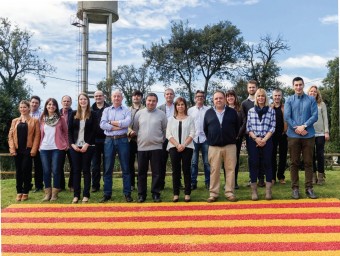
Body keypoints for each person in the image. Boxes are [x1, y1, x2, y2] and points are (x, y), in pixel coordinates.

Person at [285, 77, 318, 199]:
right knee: (294, 163)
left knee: (309, 162)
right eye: (296, 85)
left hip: (308, 135)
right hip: (293, 136)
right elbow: (287, 117)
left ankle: (309, 188)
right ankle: (295, 189)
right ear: (293, 86)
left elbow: (315, 116)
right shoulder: (289, 100)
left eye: (300, 85)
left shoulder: (311, 100)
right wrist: (297, 128)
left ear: (303, 85)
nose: (298, 87)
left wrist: (304, 126)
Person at [203, 90, 239, 203]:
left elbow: (237, 127)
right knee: (214, 170)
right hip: (214, 147)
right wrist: (213, 139)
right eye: (216, 98)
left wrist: (230, 137)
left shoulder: (232, 112)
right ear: (213, 100)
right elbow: (205, 129)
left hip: (230, 146)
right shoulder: (208, 113)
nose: (218, 100)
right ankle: (213, 194)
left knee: (230, 170)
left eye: (220, 98)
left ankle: (229, 192)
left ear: (224, 99)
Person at [134, 92, 167, 203]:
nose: (151, 103)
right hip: (142, 148)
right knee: (141, 173)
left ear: (157, 102)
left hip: (157, 147)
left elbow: (165, 130)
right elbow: (135, 129)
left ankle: (156, 194)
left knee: (156, 172)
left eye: (153, 101)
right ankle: (141, 195)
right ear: (145, 101)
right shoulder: (139, 114)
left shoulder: (162, 114)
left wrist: (160, 141)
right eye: (149, 100)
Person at [99, 90, 132, 203]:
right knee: (108, 168)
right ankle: (107, 194)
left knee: (125, 168)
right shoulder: (106, 110)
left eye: (118, 96)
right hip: (109, 141)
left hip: (122, 139)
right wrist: (118, 125)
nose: (116, 98)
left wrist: (111, 122)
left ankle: (127, 193)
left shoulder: (126, 110)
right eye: (114, 96)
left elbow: (127, 123)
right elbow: (102, 124)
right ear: (111, 98)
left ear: (122, 98)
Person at [247, 88, 276, 200]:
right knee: (254, 164)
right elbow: (248, 127)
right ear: (256, 98)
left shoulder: (271, 111)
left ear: (265, 98)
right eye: (258, 96)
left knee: (268, 164)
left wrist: (264, 140)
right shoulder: (250, 111)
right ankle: (254, 192)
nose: (260, 98)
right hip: (253, 141)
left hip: (267, 140)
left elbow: (272, 127)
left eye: (262, 96)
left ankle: (268, 191)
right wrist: (256, 139)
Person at [8, 100, 40, 201]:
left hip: (28, 150)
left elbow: (37, 136)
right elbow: (10, 136)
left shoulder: (34, 121)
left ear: (29, 108)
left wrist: (34, 149)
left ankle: (25, 191)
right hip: (17, 150)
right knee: (18, 171)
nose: (23, 109)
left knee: (26, 170)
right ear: (19, 109)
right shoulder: (15, 121)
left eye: (25, 107)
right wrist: (12, 149)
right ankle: (19, 191)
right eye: (21, 107)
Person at [69, 93, 97, 203]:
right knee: (76, 170)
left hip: (88, 146)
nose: (83, 101)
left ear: (88, 101)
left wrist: (87, 144)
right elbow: (69, 131)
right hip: (75, 146)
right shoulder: (73, 114)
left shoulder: (93, 114)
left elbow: (94, 131)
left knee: (86, 170)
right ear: (78, 101)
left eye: (85, 99)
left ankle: (86, 195)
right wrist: (72, 144)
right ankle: (76, 195)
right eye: (81, 99)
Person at [39, 98, 68, 201]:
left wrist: (66, 144)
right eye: (49, 104)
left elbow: (66, 132)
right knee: (46, 171)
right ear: (46, 106)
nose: (51, 106)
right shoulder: (42, 118)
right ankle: (47, 193)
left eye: (53, 105)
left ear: (56, 106)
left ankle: (55, 193)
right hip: (44, 148)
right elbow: (40, 133)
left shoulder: (61, 119)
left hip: (57, 148)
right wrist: (39, 145)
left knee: (56, 170)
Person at [166, 97, 195, 202]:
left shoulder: (190, 118)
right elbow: (168, 134)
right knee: (175, 171)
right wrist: (177, 145)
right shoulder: (170, 119)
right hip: (174, 148)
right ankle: (176, 193)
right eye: (178, 105)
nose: (180, 106)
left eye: (182, 104)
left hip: (187, 147)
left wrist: (183, 144)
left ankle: (187, 193)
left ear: (185, 106)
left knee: (186, 170)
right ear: (175, 107)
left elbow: (192, 133)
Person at [241, 81, 265, 187]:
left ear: (256, 88)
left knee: (262, 157)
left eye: (253, 87)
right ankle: (252, 179)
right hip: (250, 135)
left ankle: (261, 179)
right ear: (247, 89)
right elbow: (244, 119)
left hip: (263, 135)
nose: (251, 89)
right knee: (252, 158)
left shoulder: (261, 101)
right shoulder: (244, 103)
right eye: (250, 87)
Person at [188, 90, 211, 190]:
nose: (200, 98)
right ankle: (193, 183)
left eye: (202, 96)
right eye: (198, 96)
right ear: (195, 98)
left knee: (207, 162)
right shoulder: (190, 110)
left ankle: (208, 182)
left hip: (205, 139)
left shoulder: (209, 109)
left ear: (204, 98)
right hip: (193, 138)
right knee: (193, 163)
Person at [307, 85, 329, 185]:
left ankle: (321, 176)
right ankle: (313, 176)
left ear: (317, 93)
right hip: (309, 133)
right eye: (311, 91)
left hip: (320, 134)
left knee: (319, 155)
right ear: (308, 93)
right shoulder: (306, 104)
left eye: (314, 92)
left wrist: (326, 132)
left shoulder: (322, 104)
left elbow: (325, 119)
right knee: (310, 156)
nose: (313, 93)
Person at [91, 90, 110, 192]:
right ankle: (95, 185)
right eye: (96, 96)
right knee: (95, 165)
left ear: (104, 97)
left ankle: (107, 185)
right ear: (94, 98)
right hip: (94, 141)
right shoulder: (91, 109)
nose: (98, 97)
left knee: (107, 164)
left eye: (100, 96)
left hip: (107, 139)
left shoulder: (109, 108)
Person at [226, 89, 244, 189]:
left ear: (235, 97)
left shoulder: (240, 110)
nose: (230, 98)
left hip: (237, 138)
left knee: (235, 160)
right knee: (226, 161)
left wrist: (238, 135)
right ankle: (228, 182)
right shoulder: (223, 109)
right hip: (226, 139)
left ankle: (235, 182)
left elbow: (243, 123)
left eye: (231, 96)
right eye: (228, 96)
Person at [158, 88, 175, 190]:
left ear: (174, 95)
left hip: (175, 138)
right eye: (167, 94)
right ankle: (161, 183)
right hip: (163, 138)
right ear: (164, 96)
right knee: (161, 162)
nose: (169, 95)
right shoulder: (159, 108)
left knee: (175, 162)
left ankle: (177, 183)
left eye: (171, 94)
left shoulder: (178, 107)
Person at [127, 90, 144, 191]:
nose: (136, 97)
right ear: (132, 97)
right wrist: (130, 132)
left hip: (141, 140)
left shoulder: (145, 110)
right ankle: (131, 184)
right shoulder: (126, 110)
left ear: (141, 97)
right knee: (129, 163)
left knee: (141, 163)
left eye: (138, 96)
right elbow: (124, 124)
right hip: (129, 140)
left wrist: (138, 132)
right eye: (134, 95)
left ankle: (140, 184)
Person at [271, 89, 288, 184]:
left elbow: (288, 120)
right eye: (275, 95)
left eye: (279, 95)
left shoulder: (285, 108)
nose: (277, 97)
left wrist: (285, 130)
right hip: (272, 135)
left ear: (281, 96)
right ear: (272, 96)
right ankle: (272, 177)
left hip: (283, 135)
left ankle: (281, 176)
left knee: (283, 156)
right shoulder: (269, 108)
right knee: (271, 156)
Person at [59, 95, 74, 191]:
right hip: (59, 143)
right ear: (61, 102)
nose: (66, 103)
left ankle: (72, 185)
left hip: (71, 143)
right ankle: (60, 186)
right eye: (64, 101)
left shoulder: (75, 113)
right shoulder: (56, 114)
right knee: (59, 165)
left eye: (68, 101)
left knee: (74, 164)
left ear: (71, 103)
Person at [29, 95, 44, 192]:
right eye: (33, 102)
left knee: (38, 166)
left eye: (36, 103)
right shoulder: (25, 113)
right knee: (27, 165)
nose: (34, 104)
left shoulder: (41, 115)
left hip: (38, 143)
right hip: (27, 143)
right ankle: (28, 184)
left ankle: (39, 185)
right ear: (30, 102)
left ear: (39, 104)